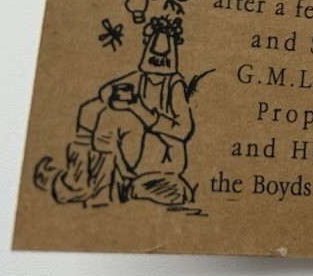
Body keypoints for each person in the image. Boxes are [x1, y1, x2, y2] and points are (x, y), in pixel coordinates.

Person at [36, 14, 197, 207]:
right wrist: (116, 96)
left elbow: (183, 129)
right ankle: (84, 179)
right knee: (93, 108)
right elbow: (105, 91)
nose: (158, 58)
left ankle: (77, 185)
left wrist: (140, 110)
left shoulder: (174, 85)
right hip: (129, 150)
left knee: (115, 121)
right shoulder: (139, 78)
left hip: (162, 153)